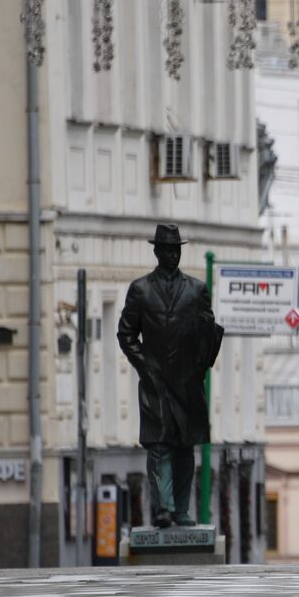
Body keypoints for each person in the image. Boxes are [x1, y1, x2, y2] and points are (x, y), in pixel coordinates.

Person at [117, 224, 224, 529]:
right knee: (159, 444)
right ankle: (163, 508)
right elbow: (126, 335)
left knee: (185, 445)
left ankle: (181, 510)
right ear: (157, 251)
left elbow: (207, 332)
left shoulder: (196, 290)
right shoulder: (141, 290)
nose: (173, 254)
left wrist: (201, 361)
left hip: (187, 381)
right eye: (167, 249)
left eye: (177, 249)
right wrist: (144, 365)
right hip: (155, 380)